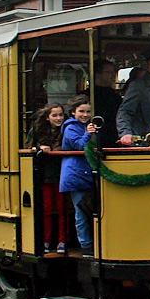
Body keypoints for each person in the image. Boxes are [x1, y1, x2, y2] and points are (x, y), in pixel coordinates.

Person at [59, 95, 97, 255]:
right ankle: (85, 245)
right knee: (81, 211)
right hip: (76, 174)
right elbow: (79, 146)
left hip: (86, 173)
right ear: (73, 112)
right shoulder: (71, 128)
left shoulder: (84, 127)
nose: (85, 115)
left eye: (88, 112)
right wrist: (88, 134)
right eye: (81, 111)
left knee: (89, 210)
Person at [32, 102, 71, 257]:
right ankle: (45, 241)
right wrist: (40, 148)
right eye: (54, 115)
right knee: (46, 208)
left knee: (63, 209)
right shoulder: (38, 131)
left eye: (61, 115)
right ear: (47, 117)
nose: (58, 118)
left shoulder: (66, 130)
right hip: (46, 174)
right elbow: (30, 146)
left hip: (62, 173)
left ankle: (63, 241)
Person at [89, 59, 121, 146]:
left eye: (113, 72)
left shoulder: (115, 96)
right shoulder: (88, 95)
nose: (113, 75)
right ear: (97, 74)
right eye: (108, 72)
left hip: (113, 137)